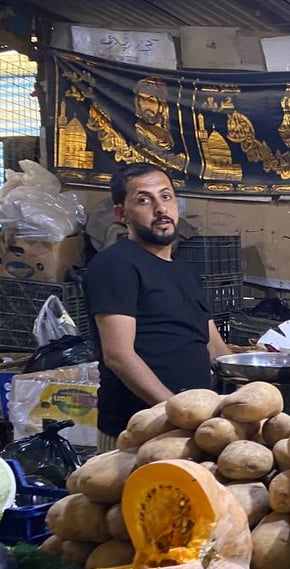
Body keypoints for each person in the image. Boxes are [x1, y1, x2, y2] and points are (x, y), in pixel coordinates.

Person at [84, 163, 230, 452]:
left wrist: (257, 384)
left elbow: (214, 347)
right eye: (143, 200)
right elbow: (119, 355)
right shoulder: (115, 264)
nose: (160, 208)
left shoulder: (185, 273)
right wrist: (174, 410)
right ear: (120, 214)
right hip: (137, 432)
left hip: (190, 427)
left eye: (166, 197)